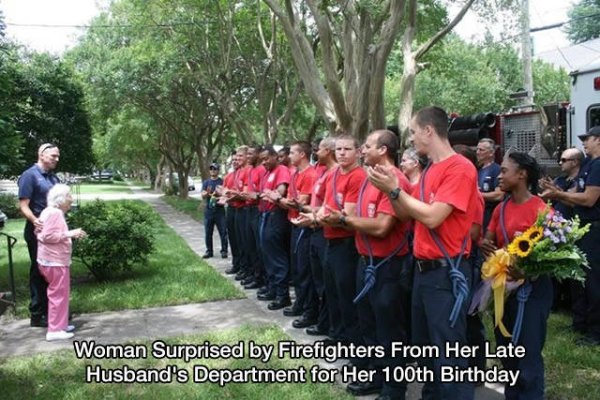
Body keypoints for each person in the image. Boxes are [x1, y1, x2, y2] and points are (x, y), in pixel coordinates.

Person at [368, 106, 477, 400]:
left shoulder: (460, 168)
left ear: (429, 130)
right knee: (426, 350)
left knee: (449, 356)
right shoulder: (430, 170)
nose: (412, 139)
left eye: (414, 132)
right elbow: (407, 215)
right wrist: (391, 191)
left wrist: (395, 190)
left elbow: (432, 217)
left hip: (445, 273)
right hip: (423, 273)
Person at [326, 130, 412, 399]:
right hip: (367, 263)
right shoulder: (368, 178)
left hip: (388, 266)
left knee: (389, 329)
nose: (362, 150)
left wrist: (342, 221)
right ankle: (375, 377)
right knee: (369, 324)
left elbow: (382, 227)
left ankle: (394, 388)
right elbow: (361, 218)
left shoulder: (394, 179)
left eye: (367, 146)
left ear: (383, 149)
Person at [480, 152, 551, 399]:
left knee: (528, 352)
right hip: (505, 291)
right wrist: (485, 245)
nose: (499, 176)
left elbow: (554, 256)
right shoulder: (500, 208)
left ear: (521, 175)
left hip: (533, 292)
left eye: (504, 171)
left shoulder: (541, 210)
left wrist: (528, 272)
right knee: (507, 350)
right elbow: (490, 239)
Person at [541, 126, 600, 345]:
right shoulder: (589, 165)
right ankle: (580, 323)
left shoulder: (599, 165)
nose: (584, 142)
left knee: (593, 280)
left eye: (589, 139)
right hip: (581, 228)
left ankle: (595, 332)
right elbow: (574, 196)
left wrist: (558, 193)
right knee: (578, 277)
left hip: (594, 228)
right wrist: (556, 193)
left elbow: (589, 199)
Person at [18, 143, 61, 328]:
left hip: (53, 231)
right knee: (39, 271)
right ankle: (37, 314)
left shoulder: (53, 178)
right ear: (41, 155)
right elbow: (23, 205)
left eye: (58, 156)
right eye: (53, 156)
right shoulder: (30, 175)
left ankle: (54, 313)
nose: (56, 159)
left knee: (53, 271)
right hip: (37, 231)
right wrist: (35, 220)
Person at [36, 184, 87, 341]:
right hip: (54, 262)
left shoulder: (48, 212)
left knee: (61, 294)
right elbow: (47, 236)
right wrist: (70, 234)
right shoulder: (55, 213)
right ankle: (55, 330)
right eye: (69, 196)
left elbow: (38, 232)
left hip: (51, 260)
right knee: (58, 295)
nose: (71, 199)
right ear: (61, 199)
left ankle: (61, 324)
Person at [278, 141, 318, 327]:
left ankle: (309, 310)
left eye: (293, 152)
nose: (289, 156)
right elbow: (291, 200)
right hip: (293, 224)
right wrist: (285, 201)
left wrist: (278, 199)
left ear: (302, 154)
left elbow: (300, 202)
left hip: (304, 226)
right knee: (297, 269)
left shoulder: (310, 174)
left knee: (304, 271)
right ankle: (300, 304)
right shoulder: (295, 173)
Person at [257, 145, 292, 310]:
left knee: (277, 257)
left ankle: (282, 295)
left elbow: (281, 190)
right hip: (265, 215)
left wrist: (274, 194)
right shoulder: (267, 173)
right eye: (262, 159)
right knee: (267, 255)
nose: (264, 162)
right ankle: (272, 288)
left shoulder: (281, 170)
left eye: (266, 158)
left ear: (275, 156)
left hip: (276, 217)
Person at [201, 162, 228, 259]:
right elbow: (203, 194)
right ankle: (209, 251)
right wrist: (206, 194)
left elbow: (225, 195)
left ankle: (224, 251)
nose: (213, 170)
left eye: (215, 169)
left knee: (223, 232)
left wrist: (218, 196)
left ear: (218, 170)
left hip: (220, 211)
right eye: (211, 168)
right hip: (209, 211)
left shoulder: (222, 181)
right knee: (208, 232)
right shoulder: (206, 182)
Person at [477, 138, 504, 230]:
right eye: (477, 149)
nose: (477, 152)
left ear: (491, 153)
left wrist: (477, 195)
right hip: (479, 215)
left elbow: (499, 195)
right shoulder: (478, 170)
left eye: (481, 150)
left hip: (490, 215)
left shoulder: (497, 170)